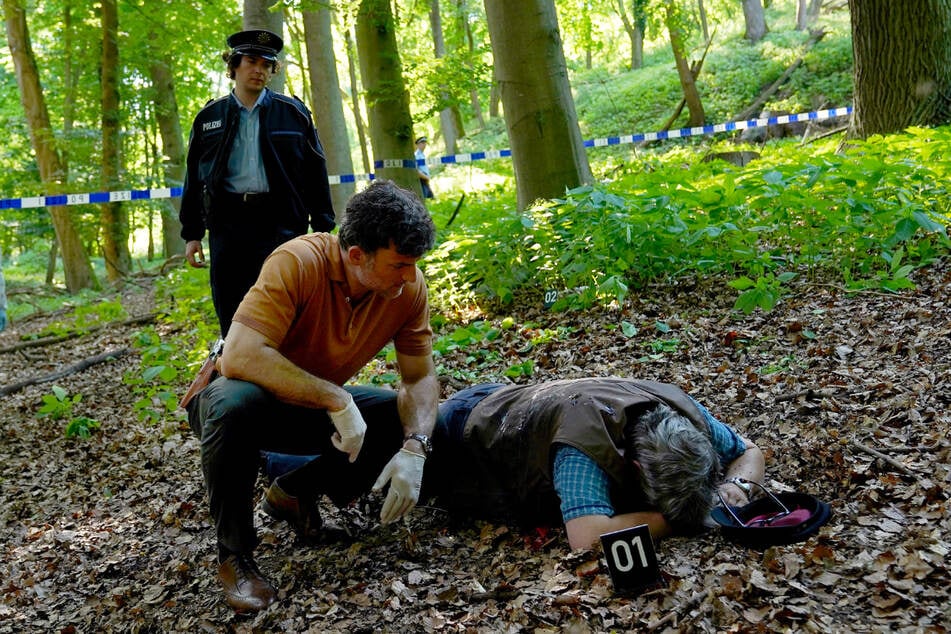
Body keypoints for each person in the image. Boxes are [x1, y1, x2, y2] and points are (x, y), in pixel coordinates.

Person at [188, 179, 439, 612]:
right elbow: (240, 356)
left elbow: (419, 379)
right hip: (237, 399)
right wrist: (337, 400)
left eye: (414, 264)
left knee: (400, 417)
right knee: (232, 406)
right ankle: (234, 555)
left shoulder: (407, 289)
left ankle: (294, 493)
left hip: (307, 404)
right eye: (399, 264)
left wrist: (415, 447)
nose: (409, 276)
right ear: (357, 255)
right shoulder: (298, 261)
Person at [424, 377, 765, 550]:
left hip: (512, 402)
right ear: (637, 469)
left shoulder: (687, 416)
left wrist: (737, 485)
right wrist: (680, 520)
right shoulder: (581, 448)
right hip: (459, 435)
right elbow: (586, 537)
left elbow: (749, 451)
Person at [179, 29, 335, 336]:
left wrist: (323, 228)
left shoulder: (294, 113)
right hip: (228, 225)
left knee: (288, 303)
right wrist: (192, 233)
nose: (259, 70)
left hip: (281, 223)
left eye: (266, 64)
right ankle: (234, 361)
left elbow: (315, 173)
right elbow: (194, 178)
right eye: (251, 61)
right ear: (234, 65)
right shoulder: (209, 117)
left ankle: (286, 363)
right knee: (231, 306)